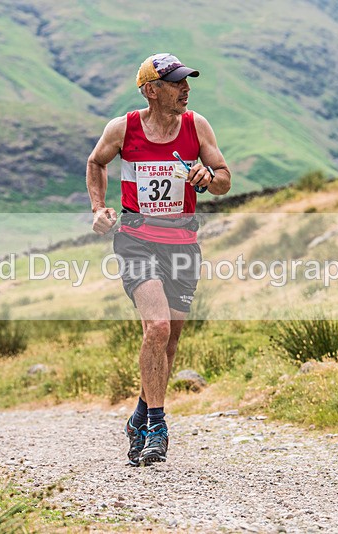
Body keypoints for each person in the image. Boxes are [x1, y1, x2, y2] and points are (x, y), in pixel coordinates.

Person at [86, 53, 231, 466]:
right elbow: (96, 162)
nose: (186, 89)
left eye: (187, 81)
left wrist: (208, 177)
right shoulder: (124, 128)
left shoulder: (196, 126)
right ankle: (157, 426)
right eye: (176, 83)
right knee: (158, 327)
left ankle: (138, 416)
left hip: (182, 244)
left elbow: (223, 179)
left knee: (168, 341)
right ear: (151, 90)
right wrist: (98, 208)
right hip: (136, 240)